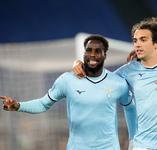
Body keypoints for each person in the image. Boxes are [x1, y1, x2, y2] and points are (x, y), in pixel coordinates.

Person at [72, 17, 157, 150]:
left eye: (143, 40)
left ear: (156, 43)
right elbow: (98, 80)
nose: (137, 44)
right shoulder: (129, 70)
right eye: (135, 41)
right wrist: (78, 63)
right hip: (144, 145)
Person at [0, 34, 136, 150]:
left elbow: (130, 108)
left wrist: (133, 140)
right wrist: (18, 106)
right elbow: (43, 104)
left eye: (97, 51)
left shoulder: (118, 83)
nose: (92, 55)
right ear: (84, 53)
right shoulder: (67, 80)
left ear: (105, 56)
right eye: (89, 50)